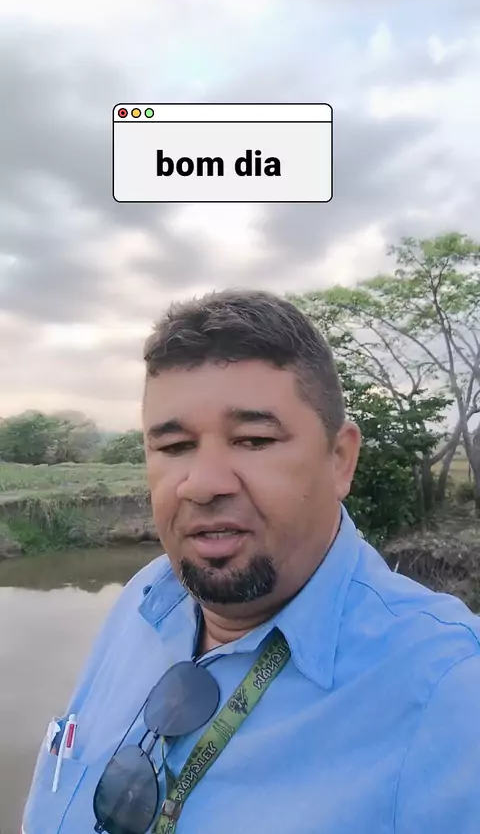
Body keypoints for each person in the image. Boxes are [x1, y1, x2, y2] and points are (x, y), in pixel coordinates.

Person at [22, 289, 480, 834]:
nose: (202, 484)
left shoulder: (451, 693)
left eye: (254, 440)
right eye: (174, 447)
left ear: (340, 459)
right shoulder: (144, 599)